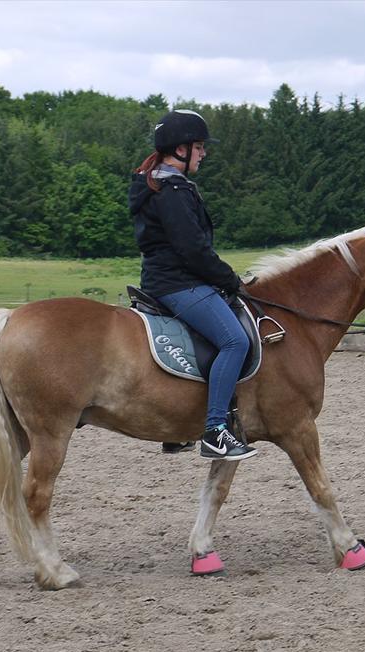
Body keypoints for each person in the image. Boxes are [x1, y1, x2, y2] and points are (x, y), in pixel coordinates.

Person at [128, 109, 256, 461]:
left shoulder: (156, 182)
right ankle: (215, 430)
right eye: (199, 146)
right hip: (179, 283)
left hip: (162, 279)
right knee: (234, 340)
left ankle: (177, 426)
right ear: (180, 149)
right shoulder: (171, 190)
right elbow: (193, 250)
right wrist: (229, 279)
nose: (204, 153)